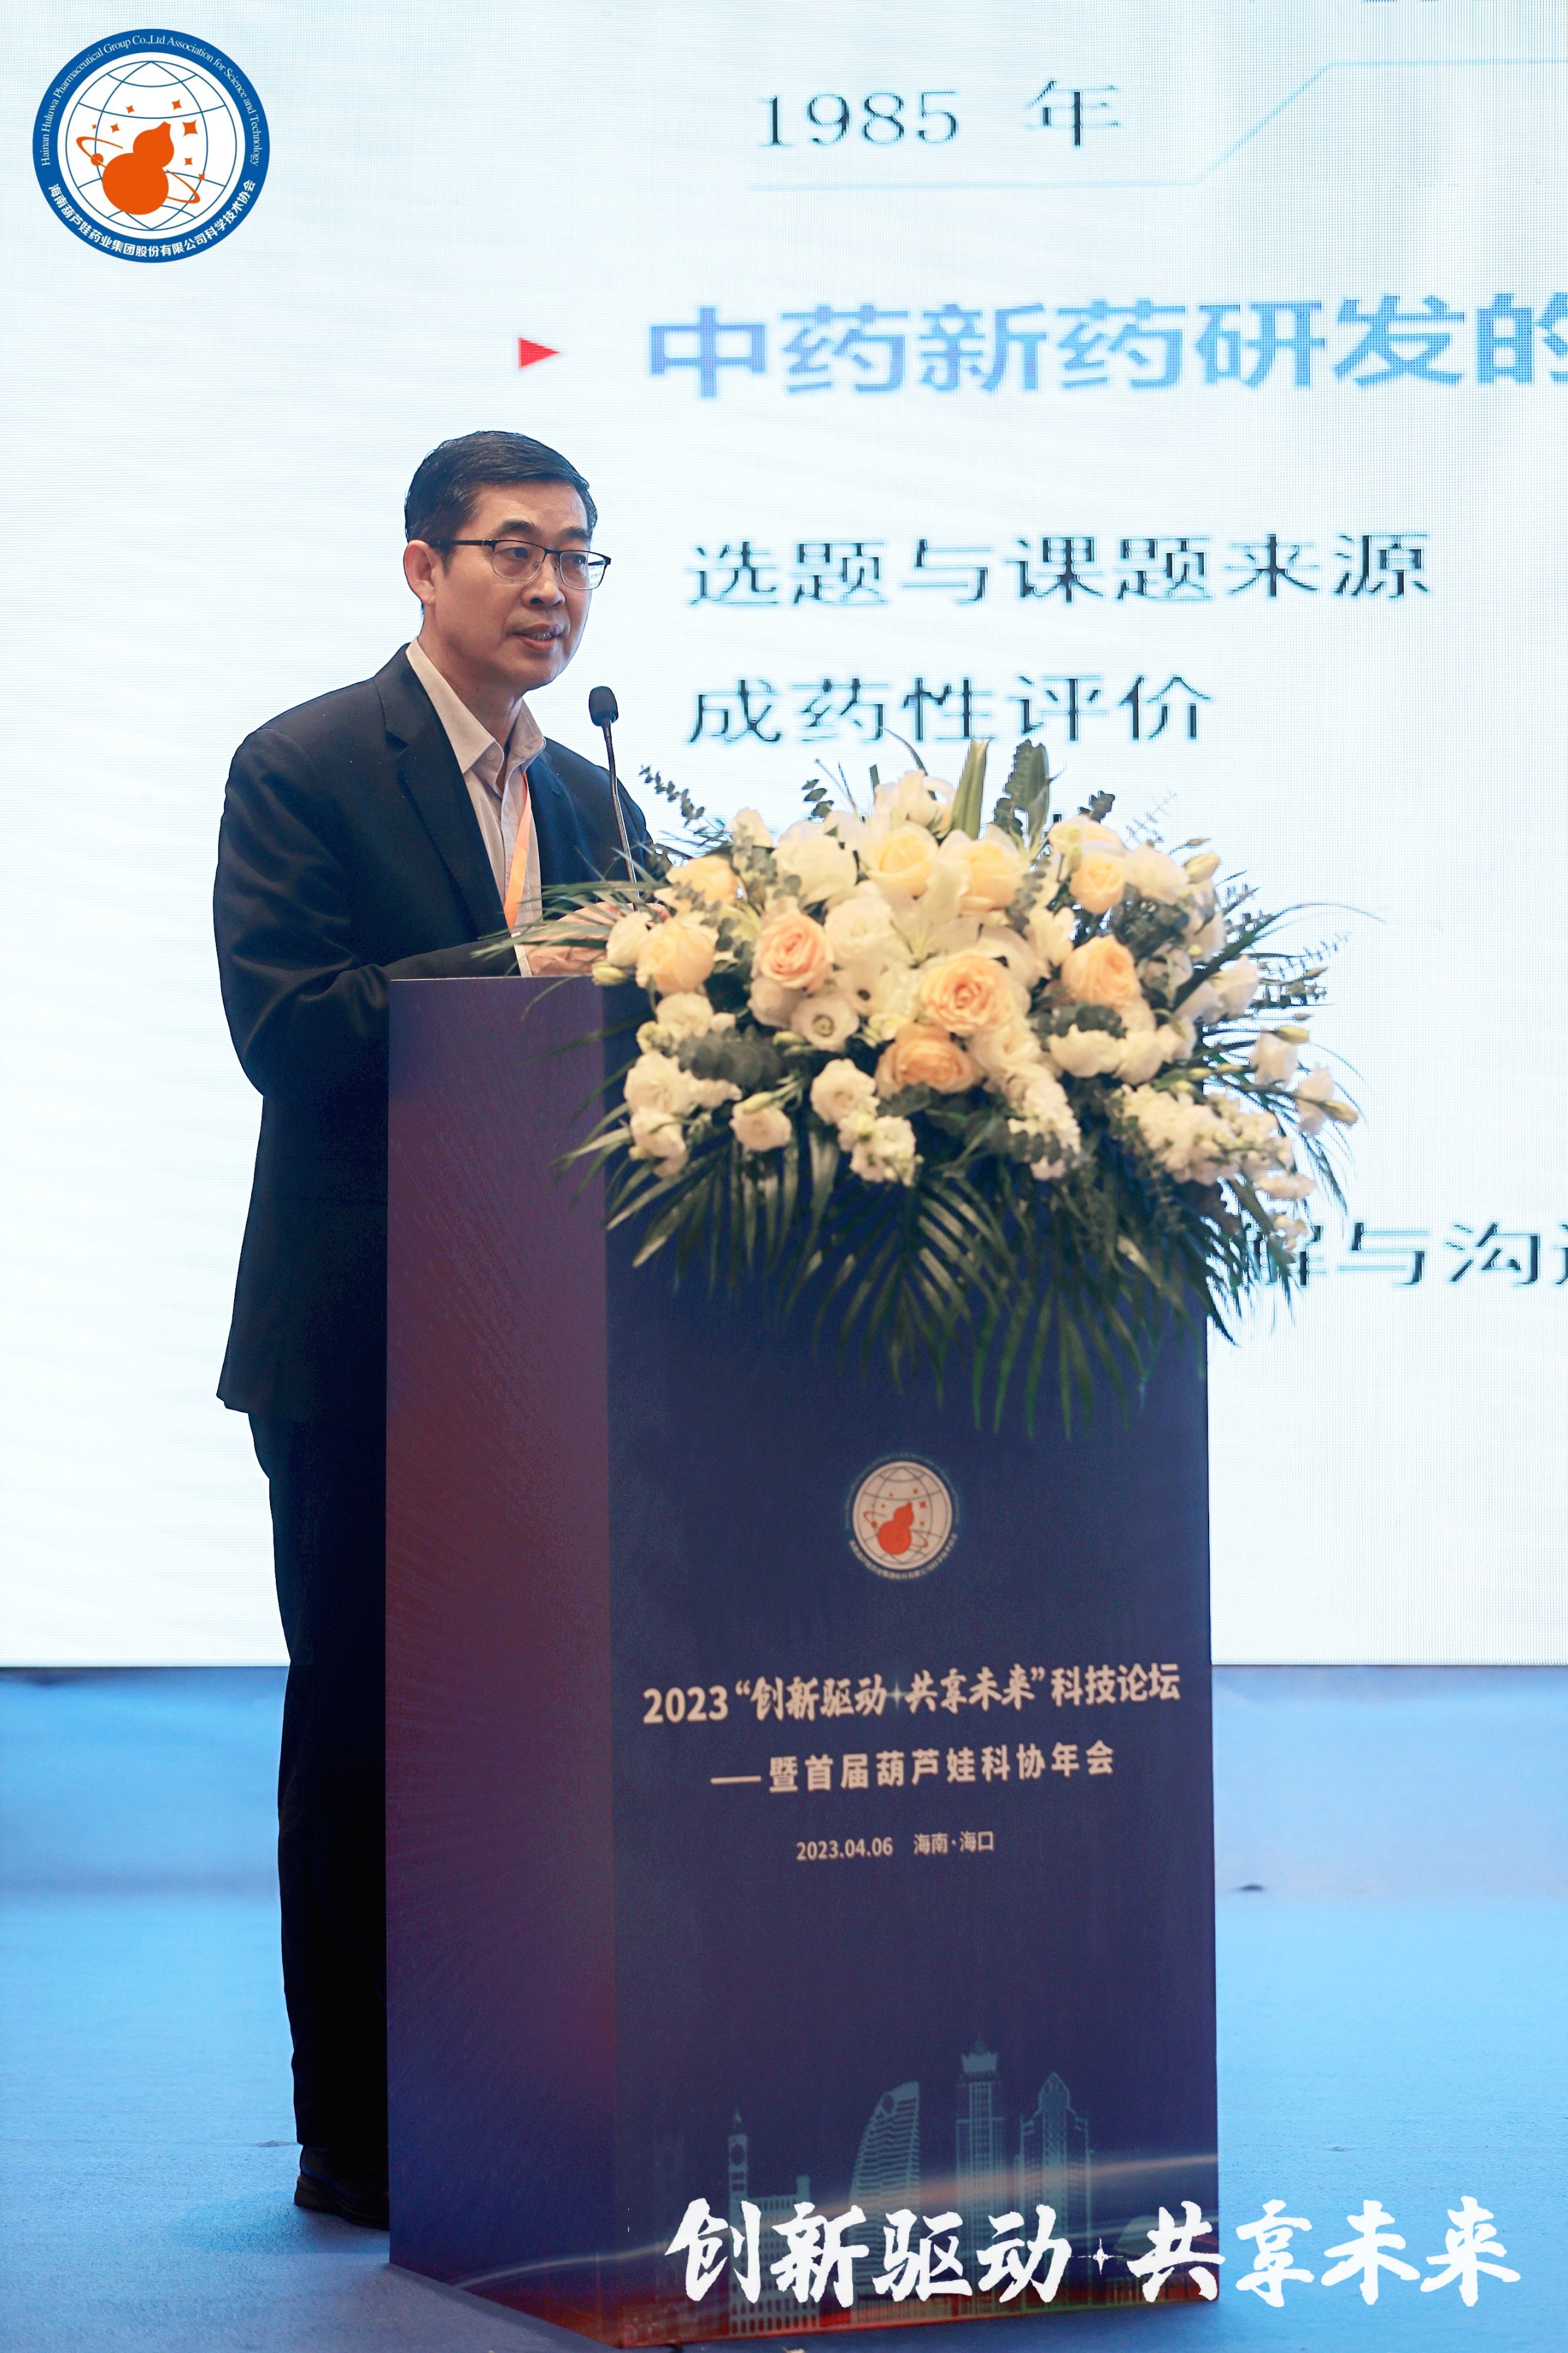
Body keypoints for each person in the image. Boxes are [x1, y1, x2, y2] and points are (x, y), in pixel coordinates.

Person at [212, 430, 646, 2228]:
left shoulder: (601, 802)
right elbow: (290, 1028)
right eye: (516, 551)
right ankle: (360, 2137)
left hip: (557, 1354)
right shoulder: (306, 763)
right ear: (423, 567)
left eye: (579, 557)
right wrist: (513, 976)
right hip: (362, 1339)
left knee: (548, 1743)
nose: (553, 589)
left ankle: (531, 2090)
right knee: (367, 1731)